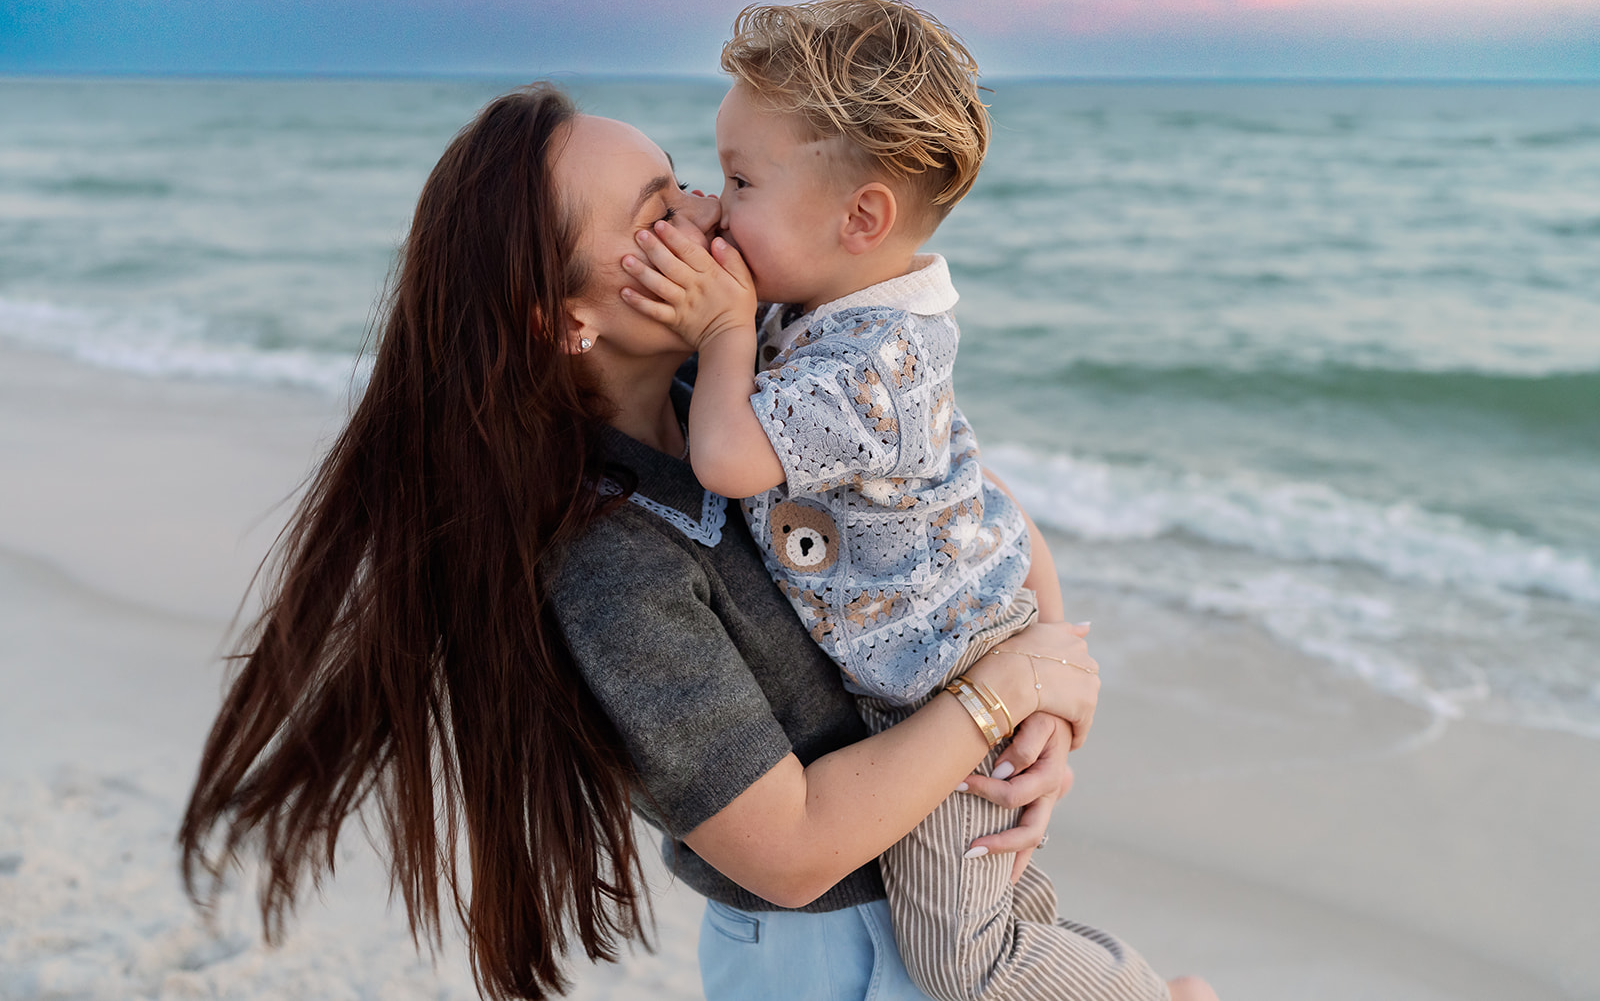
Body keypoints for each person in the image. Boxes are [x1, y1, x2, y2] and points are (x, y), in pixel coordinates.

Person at [176, 81, 1210, 1001]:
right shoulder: (609, 559)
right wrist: (998, 694)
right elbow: (793, 850)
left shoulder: (749, 391)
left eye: (684, 184)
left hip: (953, 884)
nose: (706, 213)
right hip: (830, 953)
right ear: (560, 316)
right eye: (655, 215)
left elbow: (975, 510)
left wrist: (1048, 704)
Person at [617, 0, 1214, 1001]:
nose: (713, 210)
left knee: (962, 960)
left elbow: (726, 457)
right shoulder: (829, 311)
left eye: (738, 181)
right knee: (993, 911)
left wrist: (721, 329)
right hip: (943, 669)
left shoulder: (871, 368)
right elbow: (984, 498)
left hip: (950, 684)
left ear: (861, 219)